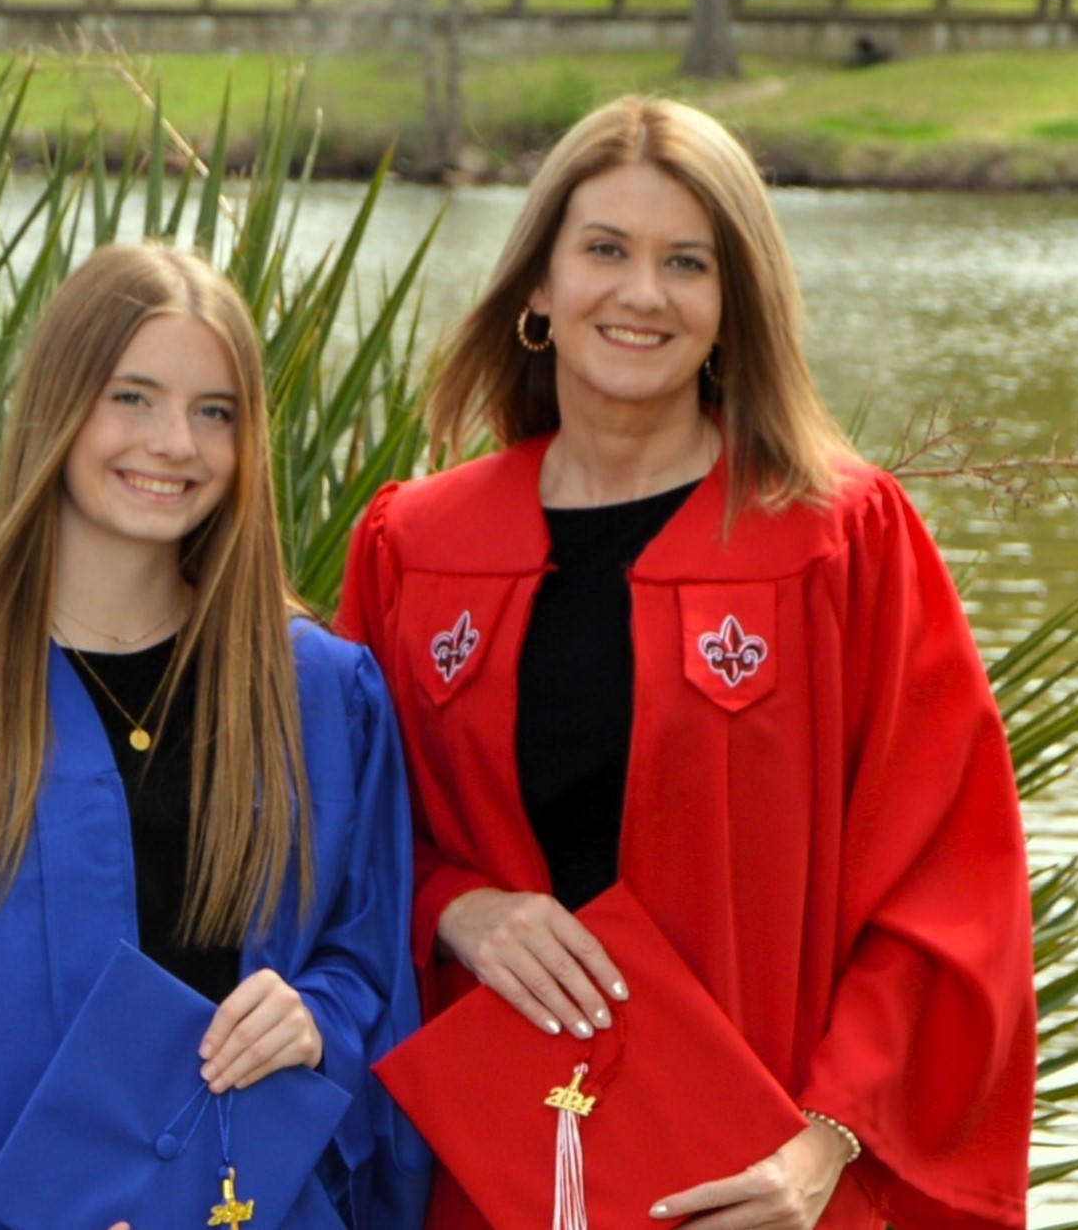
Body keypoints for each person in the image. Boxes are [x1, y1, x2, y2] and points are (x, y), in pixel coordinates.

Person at [335, 96, 1034, 1230]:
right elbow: (334, 837)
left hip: (757, 1181)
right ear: (537, 288)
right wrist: (453, 905)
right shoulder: (417, 548)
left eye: (686, 262)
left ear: (731, 305)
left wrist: (821, 1144)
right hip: (489, 1168)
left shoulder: (833, 541)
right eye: (603, 249)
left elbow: (946, 881)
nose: (641, 293)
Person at [0, 244, 428, 1230]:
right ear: (59, 403)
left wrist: (319, 1017)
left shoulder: (318, 693)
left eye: (213, 410)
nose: (173, 442)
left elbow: (375, 967)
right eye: (131, 397)